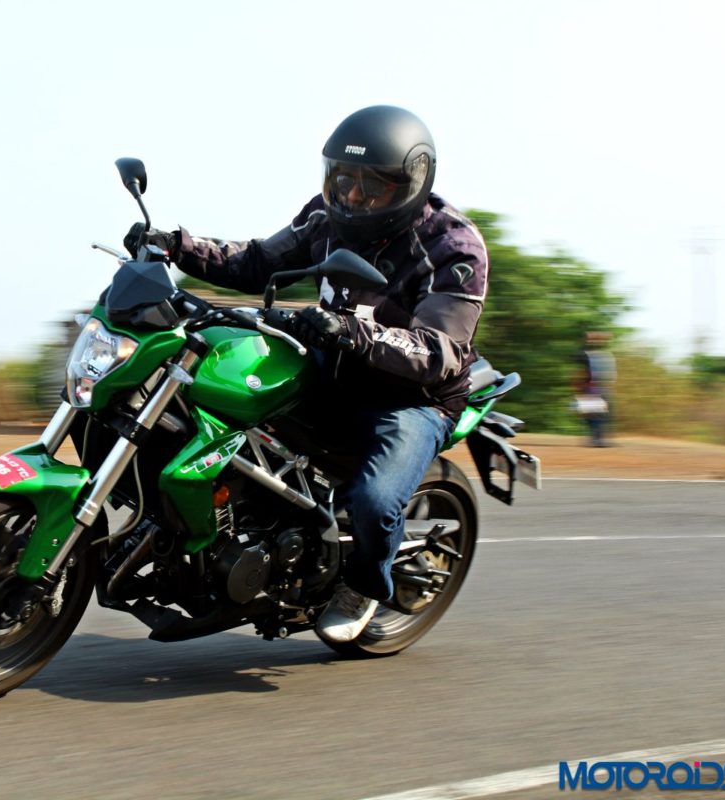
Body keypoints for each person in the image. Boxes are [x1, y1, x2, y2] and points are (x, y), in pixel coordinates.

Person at [123, 105, 489, 644]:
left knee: (374, 500)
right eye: (344, 179)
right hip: (330, 369)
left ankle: (365, 583)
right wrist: (174, 245)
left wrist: (352, 331)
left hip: (413, 399)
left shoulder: (453, 247)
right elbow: (255, 261)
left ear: (411, 184)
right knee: (208, 404)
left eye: (374, 187)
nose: (355, 197)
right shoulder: (326, 215)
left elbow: (440, 351)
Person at [574, 331, 616, 447]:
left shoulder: (606, 354)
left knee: (605, 415)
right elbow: (578, 362)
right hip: (592, 387)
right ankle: (596, 439)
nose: (598, 341)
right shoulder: (586, 355)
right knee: (594, 414)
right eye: (595, 340)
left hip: (605, 387)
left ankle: (600, 438)